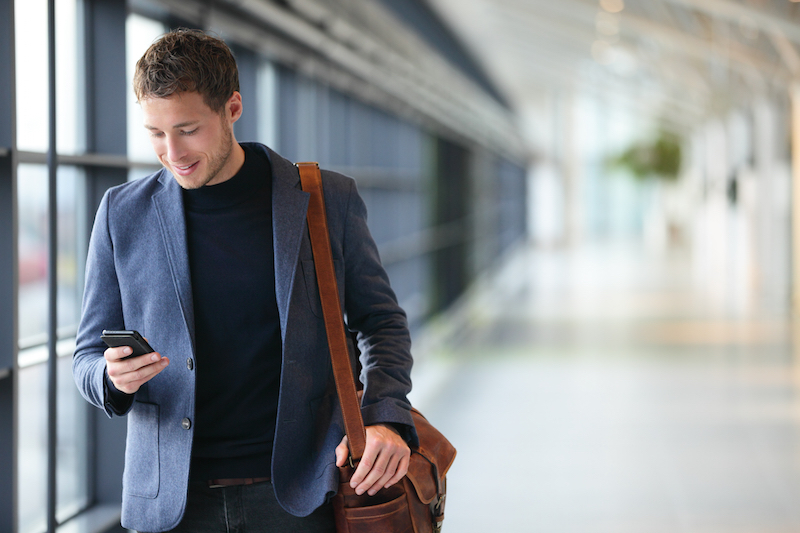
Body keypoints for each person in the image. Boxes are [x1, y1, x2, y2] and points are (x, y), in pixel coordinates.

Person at [72, 28, 417, 533]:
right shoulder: (121, 214)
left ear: (232, 108)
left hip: (300, 495)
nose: (172, 152)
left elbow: (381, 322)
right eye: (155, 133)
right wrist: (110, 378)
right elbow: (85, 358)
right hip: (173, 503)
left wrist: (385, 414)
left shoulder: (322, 200)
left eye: (188, 129)